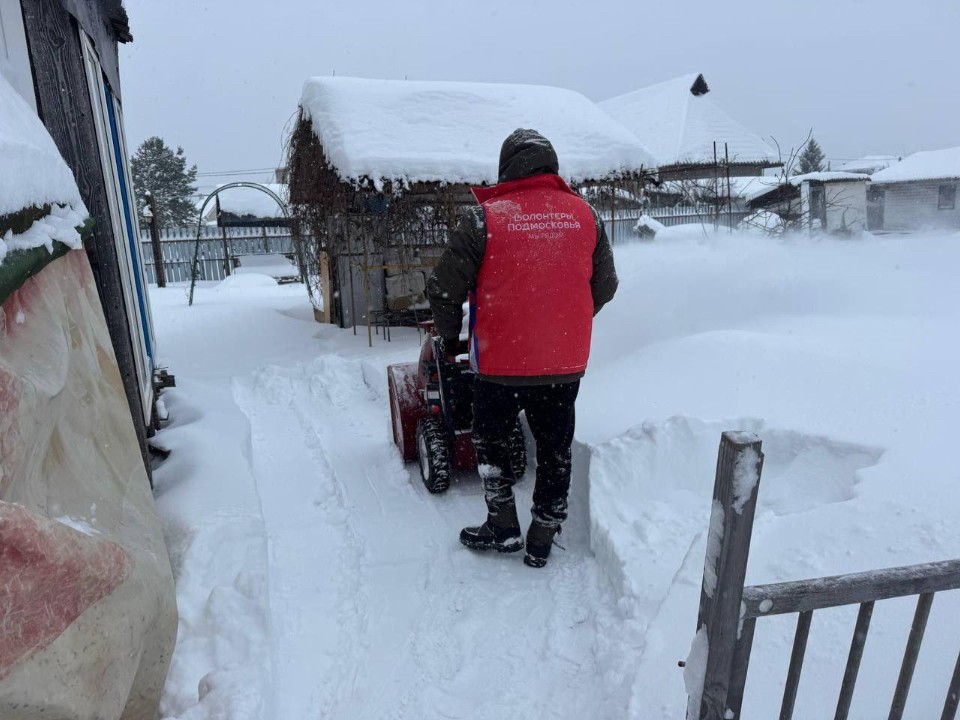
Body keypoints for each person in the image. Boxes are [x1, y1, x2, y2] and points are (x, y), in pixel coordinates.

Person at [426, 128, 618, 568]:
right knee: (555, 447)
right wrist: (565, 323)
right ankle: (543, 536)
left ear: (507, 168)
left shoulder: (484, 218)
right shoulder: (586, 214)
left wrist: (451, 336)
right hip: (564, 366)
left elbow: (443, 289)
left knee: (490, 440)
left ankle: (503, 525)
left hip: (499, 365)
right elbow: (605, 284)